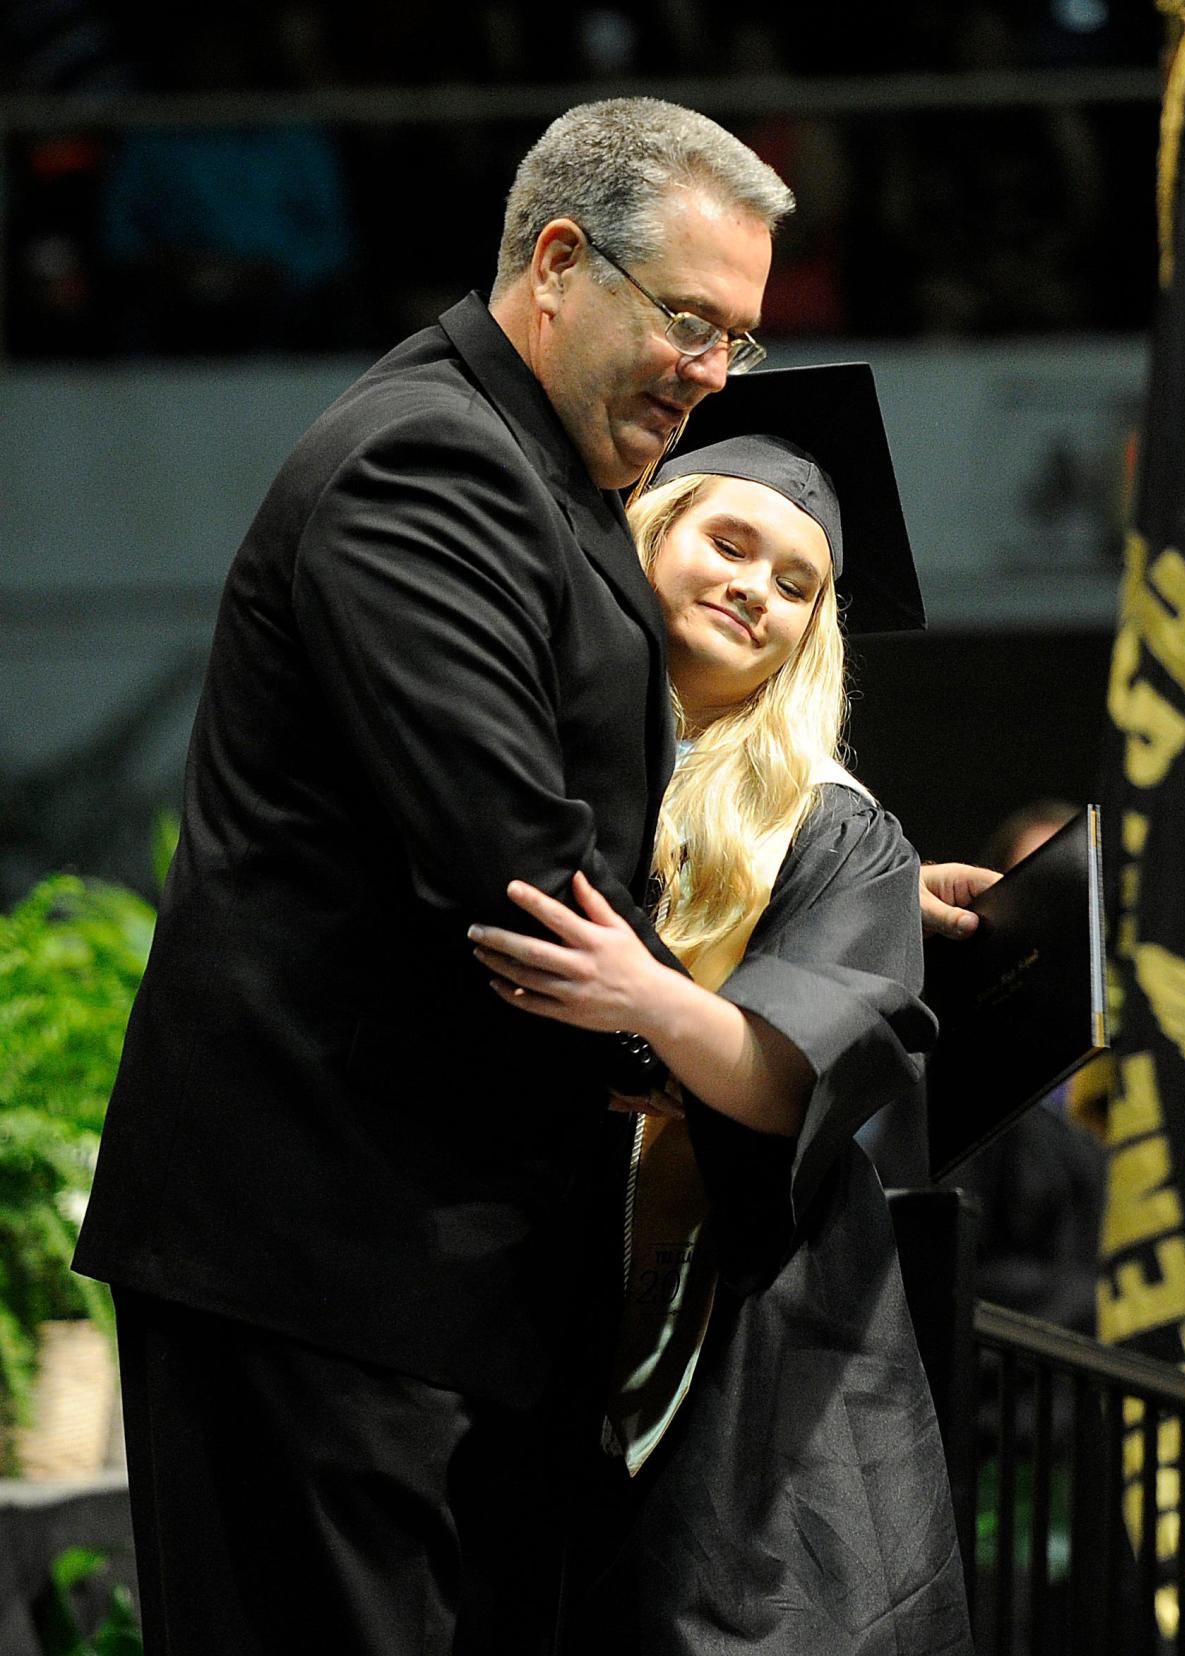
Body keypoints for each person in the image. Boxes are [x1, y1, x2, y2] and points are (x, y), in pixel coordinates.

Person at [72, 97, 795, 1656]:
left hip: (412, 1280)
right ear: (555, 262)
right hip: (328, 1272)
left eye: (736, 341)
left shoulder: (530, 471)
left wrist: (793, 912)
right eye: (688, 322)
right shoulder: (426, 465)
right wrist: (750, 1043)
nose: (711, 376)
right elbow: (514, 875)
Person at [471, 364, 975, 1653]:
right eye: (729, 540)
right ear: (654, 531)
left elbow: (784, 1075)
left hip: (755, 1349)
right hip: (523, 1303)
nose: (755, 585)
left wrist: (645, 997)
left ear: (815, 632)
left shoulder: (833, 824)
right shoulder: (537, 750)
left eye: (797, 583)